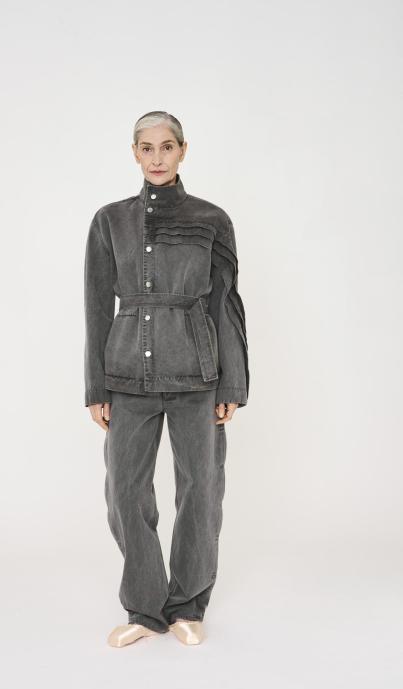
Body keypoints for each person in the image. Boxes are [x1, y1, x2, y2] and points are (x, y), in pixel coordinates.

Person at [84, 110, 249, 647]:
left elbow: (225, 304)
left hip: (198, 374)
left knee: (201, 490)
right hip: (126, 374)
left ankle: (187, 605)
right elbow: (96, 307)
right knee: (124, 492)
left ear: (182, 150)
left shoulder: (211, 218)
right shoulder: (109, 221)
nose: (157, 158)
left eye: (167, 147)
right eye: (147, 148)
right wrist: (96, 386)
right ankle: (145, 606)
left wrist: (232, 383)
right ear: (134, 153)